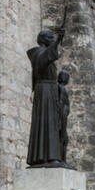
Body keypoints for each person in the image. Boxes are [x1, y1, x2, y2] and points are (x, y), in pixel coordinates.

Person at [26, 29, 66, 167]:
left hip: (48, 90)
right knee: (46, 123)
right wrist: (58, 41)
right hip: (44, 91)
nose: (52, 40)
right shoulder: (38, 54)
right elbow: (47, 57)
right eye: (50, 38)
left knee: (51, 124)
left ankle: (51, 155)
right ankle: (48, 155)